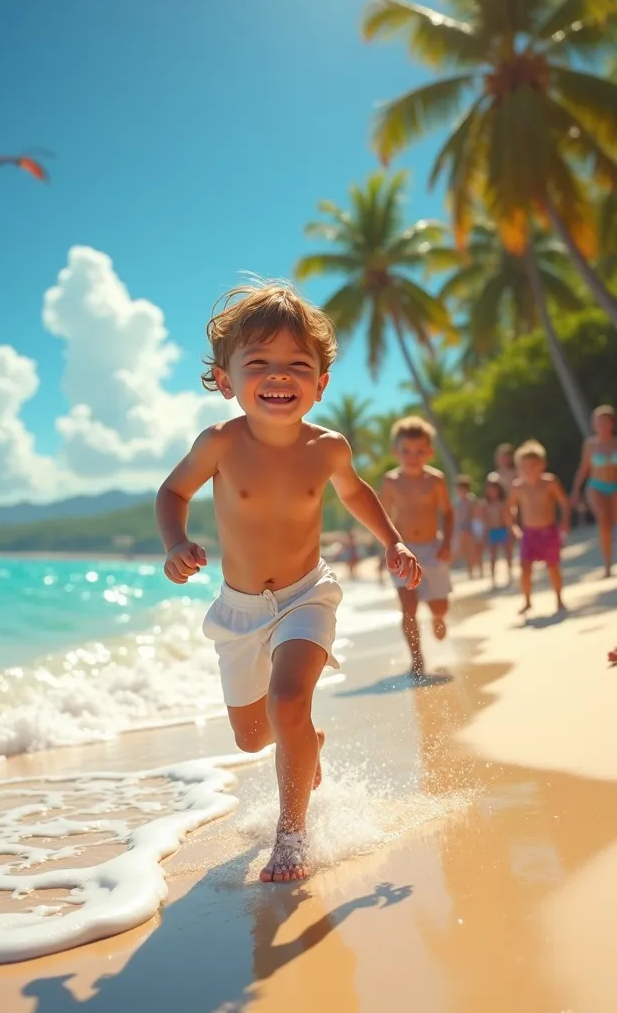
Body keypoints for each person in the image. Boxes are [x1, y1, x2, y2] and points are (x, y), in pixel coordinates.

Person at [155, 283, 421, 884]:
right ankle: (306, 739)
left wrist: (393, 541)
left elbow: (357, 494)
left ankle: (292, 835)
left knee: (287, 699)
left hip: (307, 595)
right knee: (253, 738)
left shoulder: (328, 448)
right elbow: (172, 493)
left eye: (298, 365)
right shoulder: (221, 442)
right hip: (240, 608)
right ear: (226, 379)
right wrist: (176, 543)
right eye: (259, 363)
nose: (279, 376)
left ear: (321, 382)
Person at [378, 416, 453, 677]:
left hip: (433, 549)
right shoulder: (391, 482)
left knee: (439, 605)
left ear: (429, 452)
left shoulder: (436, 480)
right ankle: (417, 659)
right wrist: (385, 548)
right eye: (406, 451)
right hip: (403, 550)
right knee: (408, 607)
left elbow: (448, 512)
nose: (413, 456)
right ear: (395, 452)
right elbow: (381, 517)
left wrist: (446, 544)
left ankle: (438, 618)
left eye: (419, 451)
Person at [507, 440, 570, 614]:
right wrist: (513, 527)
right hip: (529, 532)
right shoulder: (518, 486)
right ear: (519, 468)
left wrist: (565, 522)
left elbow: (564, 503)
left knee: (553, 566)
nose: (530, 470)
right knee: (525, 568)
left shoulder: (550, 482)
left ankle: (559, 599)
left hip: (549, 530)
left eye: (533, 465)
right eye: (525, 467)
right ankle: (527, 601)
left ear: (542, 464)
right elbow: (510, 508)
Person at [570, 404, 617, 577]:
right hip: (596, 486)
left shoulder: (615, 443)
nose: (602, 425)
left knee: (613, 522)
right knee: (604, 523)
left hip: (615, 486)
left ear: (612, 423)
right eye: (598, 421)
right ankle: (607, 565)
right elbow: (584, 469)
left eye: (605, 421)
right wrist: (576, 490)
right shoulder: (590, 445)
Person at [481, 473, 512, 588]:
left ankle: (510, 574)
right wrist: (484, 534)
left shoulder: (503, 504)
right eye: (490, 489)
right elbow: (484, 521)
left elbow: (507, 518)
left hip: (503, 530)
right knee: (492, 556)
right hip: (492, 531)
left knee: (508, 554)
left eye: (495, 489)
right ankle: (493, 579)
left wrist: (510, 530)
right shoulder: (486, 505)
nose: (493, 492)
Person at [453, 474, 480, 579]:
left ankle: (472, 571)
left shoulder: (471, 500)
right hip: (459, 527)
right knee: (459, 549)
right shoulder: (456, 502)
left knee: (471, 550)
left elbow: (476, 513)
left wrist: (475, 527)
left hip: (470, 526)